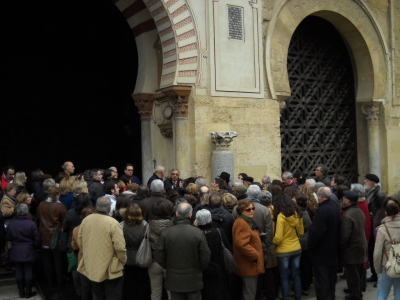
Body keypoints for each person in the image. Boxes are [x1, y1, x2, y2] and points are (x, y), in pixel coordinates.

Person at [155, 202, 211, 300]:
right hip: (194, 278)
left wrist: (168, 265)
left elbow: (159, 254)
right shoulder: (198, 233)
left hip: (173, 278)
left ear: (176, 214)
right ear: (190, 215)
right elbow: (205, 255)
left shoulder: (166, 233)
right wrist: (200, 267)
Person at [77, 196, 127, 300]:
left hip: (92, 265)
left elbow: (80, 241)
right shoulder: (113, 223)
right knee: (112, 295)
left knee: (97, 294)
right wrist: (122, 261)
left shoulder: (86, 220)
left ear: (96, 207)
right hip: (111, 267)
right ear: (109, 208)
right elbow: (120, 248)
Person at [308, 186, 340, 300]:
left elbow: (317, 232)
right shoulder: (334, 207)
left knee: (322, 281)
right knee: (330, 278)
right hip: (331, 250)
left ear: (321, 196)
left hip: (322, 252)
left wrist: (310, 245)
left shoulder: (323, 210)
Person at [273, 193, 304, 300]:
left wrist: (273, 243)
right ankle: (298, 295)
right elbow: (301, 232)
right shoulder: (297, 214)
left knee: (284, 277)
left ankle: (285, 297)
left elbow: (279, 237)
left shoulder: (281, 216)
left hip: (283, 250)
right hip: (296, 248)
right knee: (296, 274)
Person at [233, 198, 265, 300]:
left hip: (251, 263)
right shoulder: (241, 223)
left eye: (253, 208)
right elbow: (241, 244)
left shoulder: (247, 221)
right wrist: (255, 255)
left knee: (251, 291)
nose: (251, 211)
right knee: (249, 293)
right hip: (248, 263)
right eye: (248, 209)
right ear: (242, 211)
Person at [6, 204, 40, 298]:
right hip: (28, 249)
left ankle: (21, 291)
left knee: (19, 270)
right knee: (28, 270)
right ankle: (28, 291)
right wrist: (35, 247)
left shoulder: (12, 223)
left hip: (16, 250)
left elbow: (8, 237)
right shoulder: (31, 224)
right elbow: (36, 239)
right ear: (26, 212)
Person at [195, 209, 230, 300]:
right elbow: (228, 247)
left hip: (202, 269)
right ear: (210, 220)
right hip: (219, 268)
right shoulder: (219, 232)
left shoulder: (196, 234)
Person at [339, 190, 368, 300]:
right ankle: (355, 291)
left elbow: (344, 237)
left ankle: (356, 296)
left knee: (354, 275)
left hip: (353, 249)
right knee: (358, 273)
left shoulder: (348, 215)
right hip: (360, 246)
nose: (343, 200)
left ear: (349, 201)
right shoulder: (358, 211)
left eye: (345, 198)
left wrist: (341, 248)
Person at [36, 186, 67, 286]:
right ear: (58, 194)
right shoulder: (61, 206)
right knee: (58, 261)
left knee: (46, 261)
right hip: (56, 236)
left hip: (44, 235)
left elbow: (38, 218)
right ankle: (60, 280)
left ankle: (49, 280)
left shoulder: (41, 204)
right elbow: (64, 221)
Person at [62, 192, 92, 296]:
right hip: (88, 242)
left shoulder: (70, 213)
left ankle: (79, 290)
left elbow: (65, 226)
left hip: (73, 242)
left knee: (75, 267)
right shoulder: (91, 213)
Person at [122, 204, 149, 300]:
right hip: (142, 257)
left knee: (128, 284)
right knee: (141, 284)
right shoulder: (145, 225)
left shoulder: (122, 226)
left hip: (127, 258)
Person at [373, 203, 400, 300]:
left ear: (386, 213)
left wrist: (377, 270)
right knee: (399, 293)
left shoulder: (383, 229)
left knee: (383, 293)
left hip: (387, 265)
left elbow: (377, 253)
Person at [148, 201, 174, 300]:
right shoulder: (173, 225)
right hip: (169, 262)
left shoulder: (148, 225)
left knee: (155, 293)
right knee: (171, 293)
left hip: (154, 261)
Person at [364, 173, 386, 283]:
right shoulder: (369, 193)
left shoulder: (379, 194)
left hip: (376, 226)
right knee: (371, 250)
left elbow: (383, 210)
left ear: (372, 182)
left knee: (378, 252)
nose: (364, 181)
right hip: (370, 224)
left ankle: (379, 277)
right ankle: (374, 274)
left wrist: (376, 218)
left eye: (367, 180)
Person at [71, 206, 96, 300]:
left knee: (85, 286)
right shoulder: (97, 229)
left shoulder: (76, 229)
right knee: (96, 286)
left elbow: (74, 246)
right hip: (95, 260)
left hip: (82, 260)